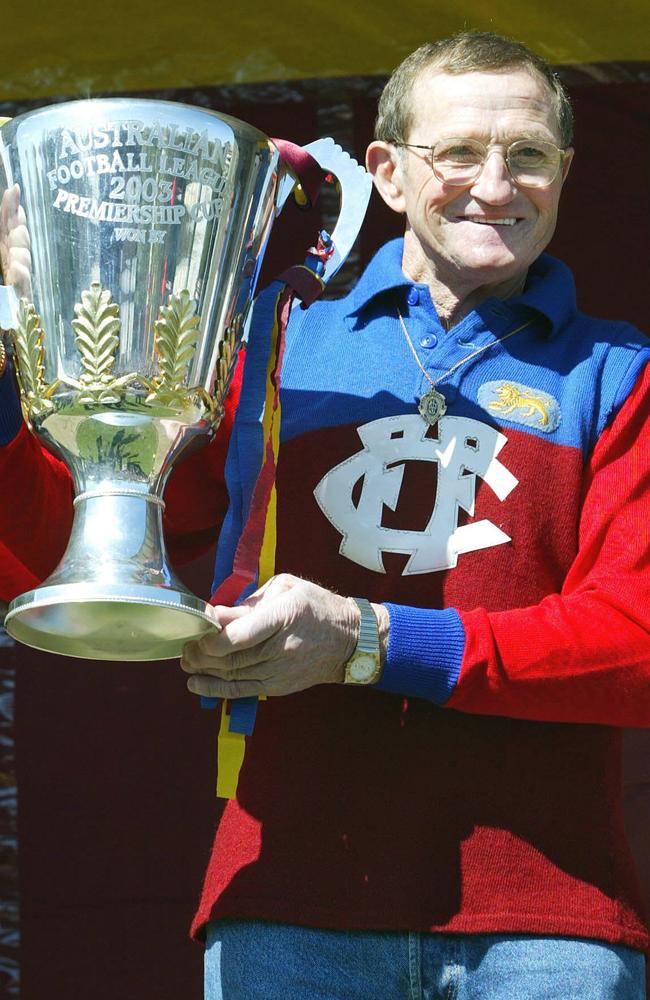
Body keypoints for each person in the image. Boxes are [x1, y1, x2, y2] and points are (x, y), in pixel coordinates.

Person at [0, 31, 648, 1000]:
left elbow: (632, 640)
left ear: (564, 171)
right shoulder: (271, 343)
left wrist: (369, 638)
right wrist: (18, 341)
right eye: (458, 152)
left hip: (544, 922)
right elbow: (66, 542)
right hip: (288, 904)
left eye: (527, 155)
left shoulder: (620, 374)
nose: (494, 183)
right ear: (385, 171)